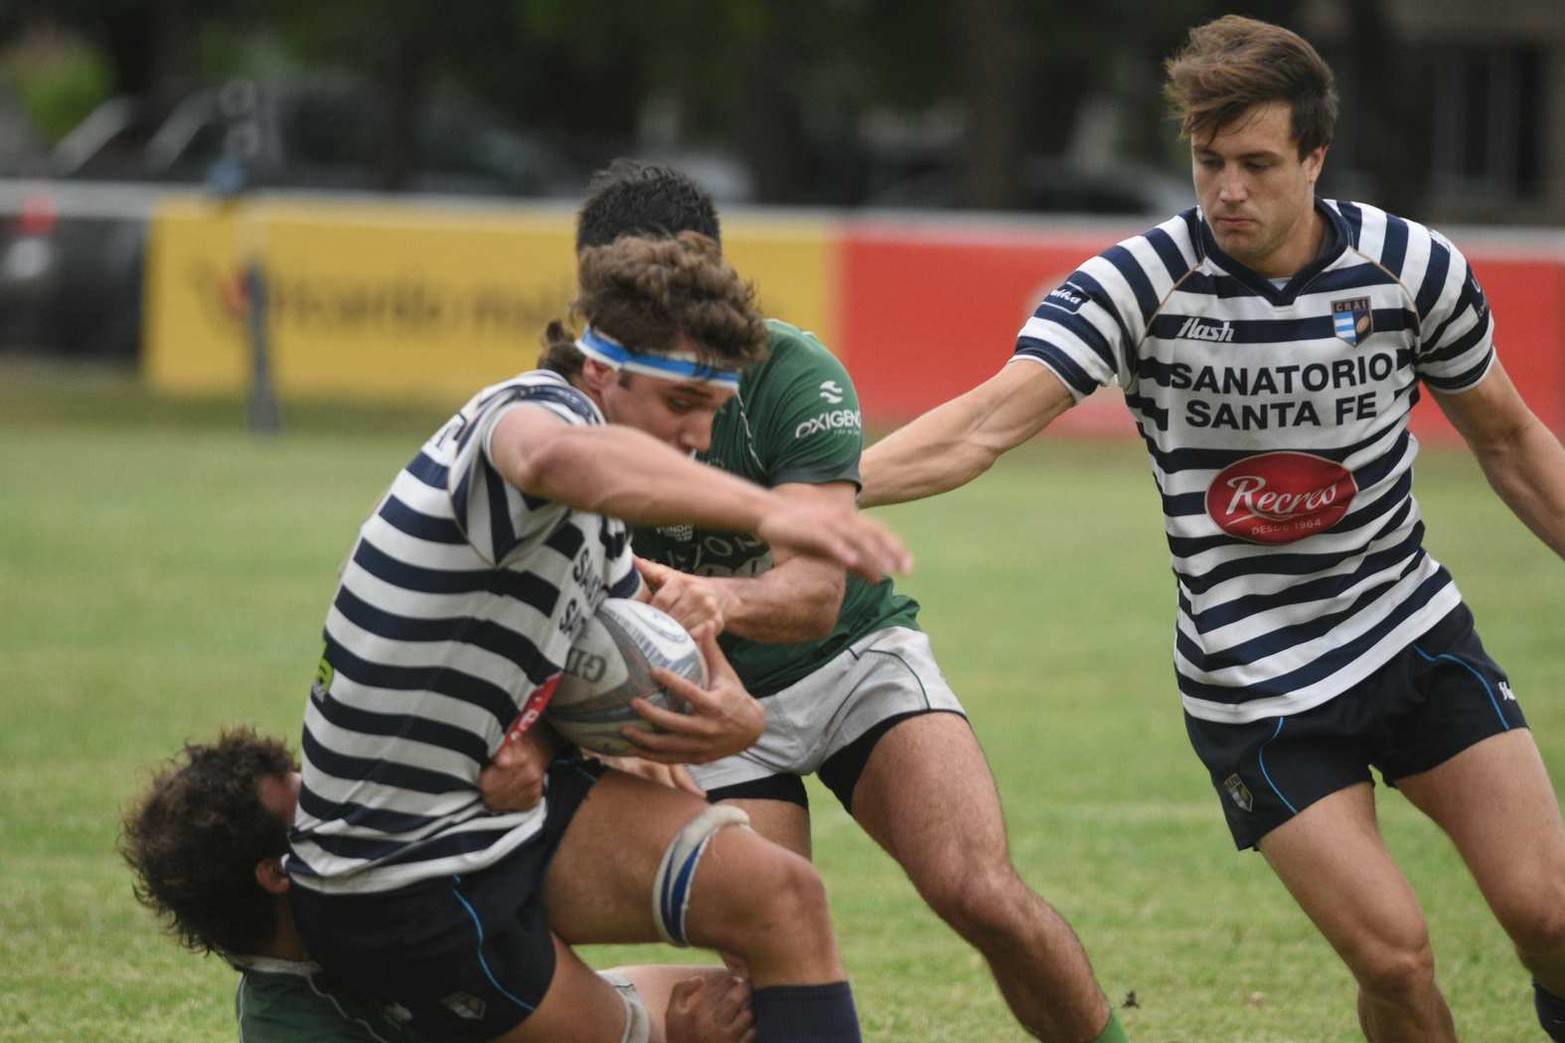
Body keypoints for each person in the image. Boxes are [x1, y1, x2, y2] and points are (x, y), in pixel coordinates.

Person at [857, 14, 1565, 1043]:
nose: (1227, 189)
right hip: (1253, 685)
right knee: (1394, 957)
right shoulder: (1138, 283)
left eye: (1256, 164)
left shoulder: (1409, 267)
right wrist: (808, 494)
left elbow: (1507, 439)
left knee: (1548, 914)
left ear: (1313, 158)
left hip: (1410, 635)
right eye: (1207, 161)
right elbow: (981, 425)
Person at [286, 231, 910, 1043]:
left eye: (713, 410)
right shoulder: (525, 415)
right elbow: (556, 460)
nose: (698, 437)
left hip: (500, 818)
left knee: (780, 898)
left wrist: (734, 715)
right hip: (399, 872)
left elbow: (651, 646)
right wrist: (771, 510)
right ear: (602, 370)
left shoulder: (600, 526)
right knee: (677, 1029)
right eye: (680, 404)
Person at [562, 159, 1129, 1043]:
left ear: (711, 270)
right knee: (762, 957)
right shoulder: (565, 409)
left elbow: (813, 597)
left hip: (850, 663)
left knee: (980, 891)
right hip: (707, 695)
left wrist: (704, 595)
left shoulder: (792, 372)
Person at [120, 727, 756, 1043]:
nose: (340, 810)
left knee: (747, 999)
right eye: (312, 810)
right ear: (278, 873)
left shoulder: (370, 890)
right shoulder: (295, 1027)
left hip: (539, 1013)